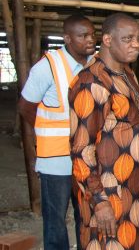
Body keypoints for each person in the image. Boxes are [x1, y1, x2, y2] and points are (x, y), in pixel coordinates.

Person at [69, 13, 139, 249]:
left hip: (134, 191)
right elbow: (80, 150)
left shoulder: (127, 74)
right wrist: (99, 200)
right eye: (127, 38)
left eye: (138, 38)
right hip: (108, 194)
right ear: (107, 40)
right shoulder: (92, 82)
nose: (136, 43)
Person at [18, 14, 95, 249]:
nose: (90, 40)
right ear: (67, 38)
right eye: (83, 36)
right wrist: (45, 130)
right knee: (55, 222)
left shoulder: (96, 64)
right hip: (56, 161)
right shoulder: (47, 67)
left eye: (92, 35)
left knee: (87, 219)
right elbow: (25, 107)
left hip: (89, 159)